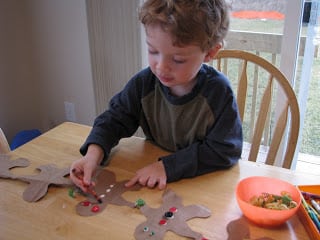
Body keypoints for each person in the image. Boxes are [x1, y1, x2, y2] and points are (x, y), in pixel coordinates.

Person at [70, 0, 243, 192]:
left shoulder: (218, 93)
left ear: (210, 53)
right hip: (155, 181)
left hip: (203, 185)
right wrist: (93, 154)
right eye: (153, 51)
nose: (161, 67)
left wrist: (167, 167)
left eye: (178, 59)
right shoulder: (144, 84)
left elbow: (224, 150)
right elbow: (114, 119)